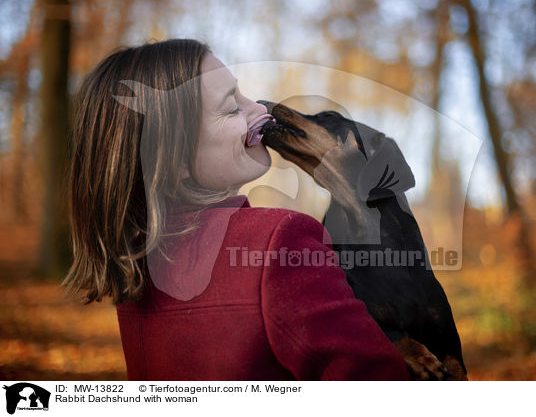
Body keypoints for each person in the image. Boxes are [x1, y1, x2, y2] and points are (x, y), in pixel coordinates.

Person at [62, 38, 411, 381]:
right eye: (231, 107)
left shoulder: (135, 264)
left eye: (242, 94)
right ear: (172, 158)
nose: (261, 108)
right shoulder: (279, 241)